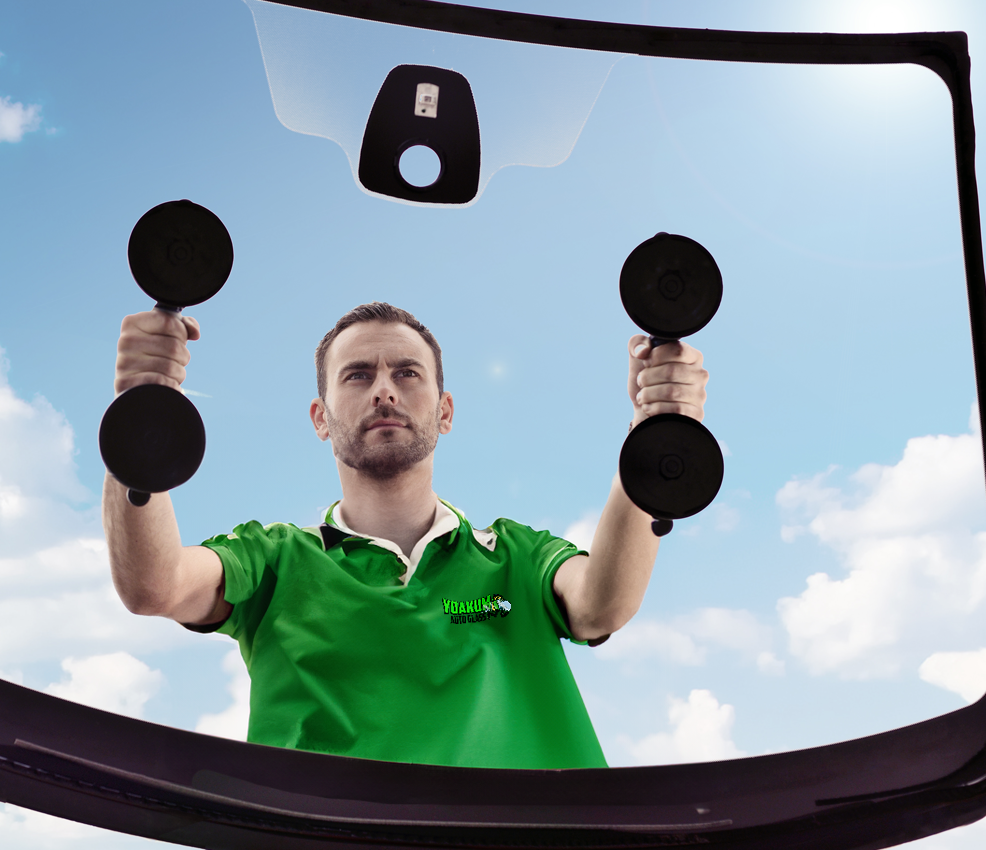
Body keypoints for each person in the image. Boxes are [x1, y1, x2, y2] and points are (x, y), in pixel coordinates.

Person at [103, 302, 709, 770]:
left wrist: (654, 431)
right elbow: (154, 584)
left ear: (445, 411)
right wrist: (140, 408)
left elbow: (604, 603)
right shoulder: (273, 559)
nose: (384, 390)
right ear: (321, 418)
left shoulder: (515, 557)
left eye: (406, 372)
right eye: (358, 375)